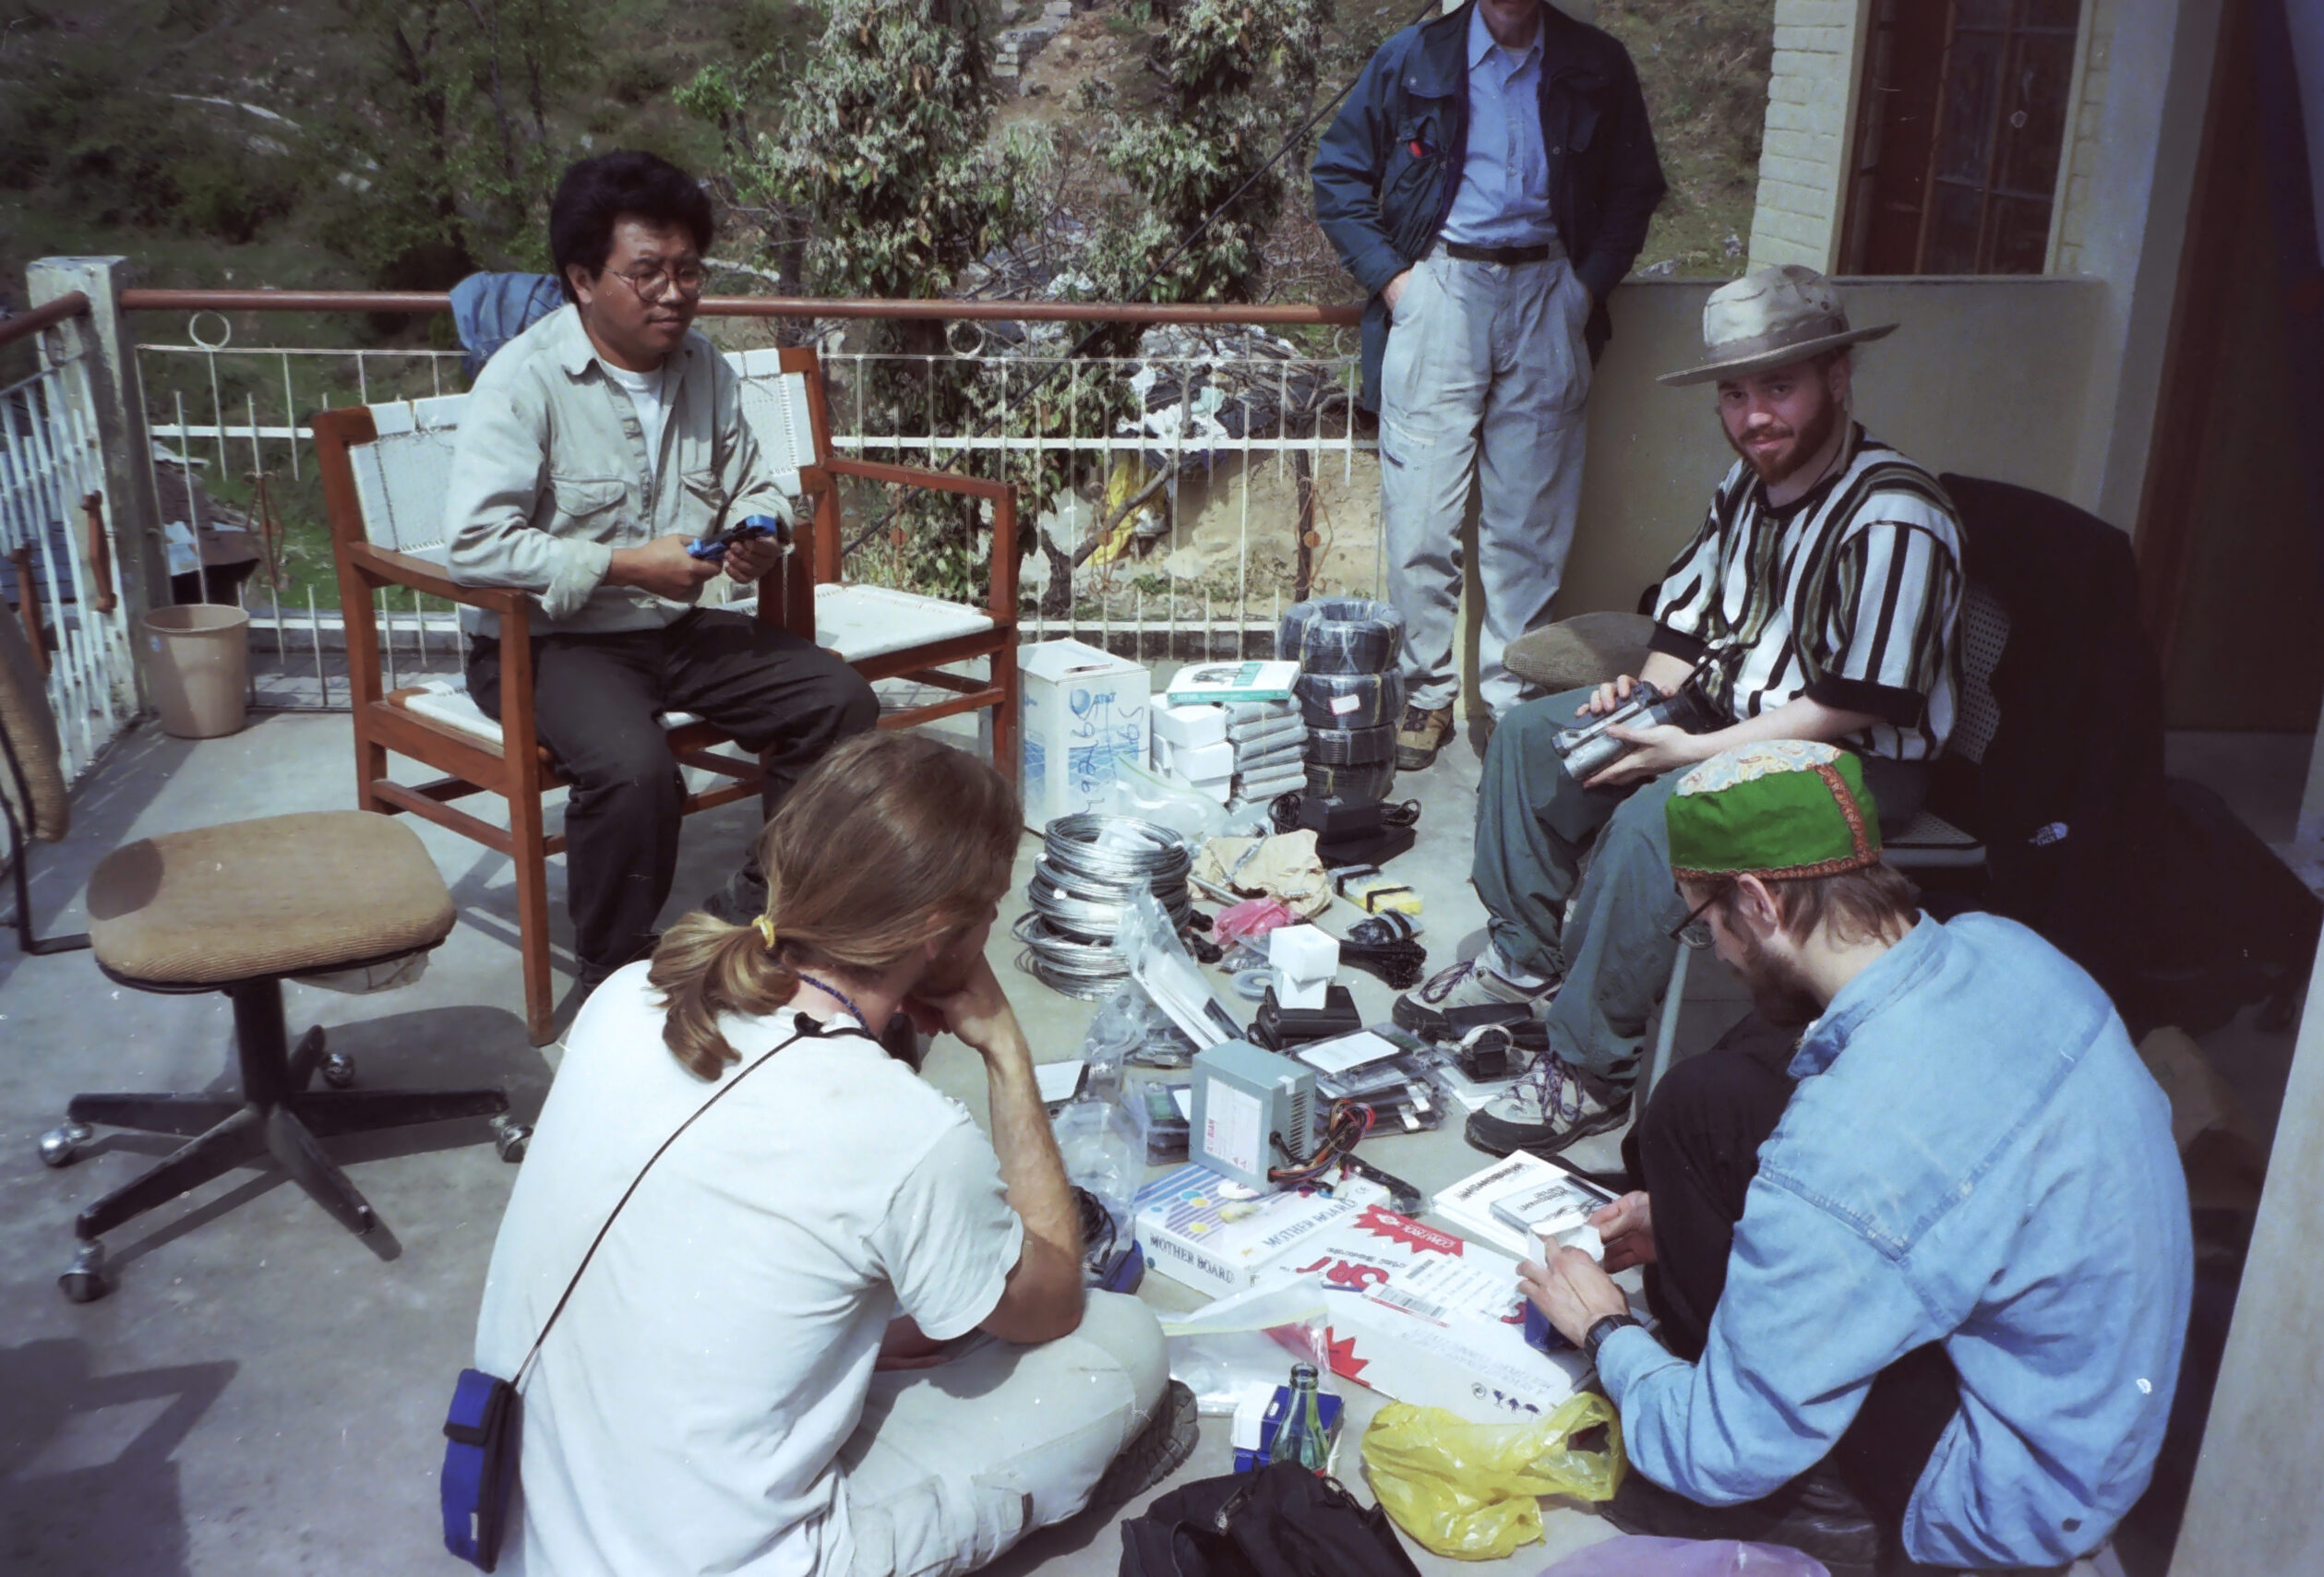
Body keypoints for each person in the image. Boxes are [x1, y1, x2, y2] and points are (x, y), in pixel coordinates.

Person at [473, 731, 1187, 1575]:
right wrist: (1003, 1047)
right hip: (721, 1560)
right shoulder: (903, 1130)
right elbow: (1056, 1296)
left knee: (898, 1315)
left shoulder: (630, 994)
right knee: (1122, 1340)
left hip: (521, 1516)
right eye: (989, 907)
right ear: (939, 930)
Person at [1518, 741, 2192, 1576]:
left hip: (2004, 1500)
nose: (1717, 951)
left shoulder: (1843, 1152)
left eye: (1705, 924)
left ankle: (1850, 1524)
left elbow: (1717, 1449)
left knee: (1655, 1454)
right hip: (2099, 1414)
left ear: (1757, 902)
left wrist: (1605, 1327)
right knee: (1709, 1102)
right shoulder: (2006, 946)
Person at [1401, 264, 1965, 1155]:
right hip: (1724, 715)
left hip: (1854, 762)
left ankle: (1589, 1066)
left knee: (1660, 819)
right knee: (1529, 738)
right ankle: (1523, 959)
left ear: (1838, 379)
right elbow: (1687, 620)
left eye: (1779, 387)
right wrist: (1647, 697)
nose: (1754, 417)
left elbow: (1852, 705)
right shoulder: (1746, 487)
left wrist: (1682, 755)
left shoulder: (1895, 515)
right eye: (1735, 394)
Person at [447, 149, 878, 987]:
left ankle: (756, 916)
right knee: (636, 770)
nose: (674, 293)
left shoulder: (703, 366)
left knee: (837, 701)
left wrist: (761, 529)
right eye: (645, 273)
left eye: (688, 271)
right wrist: (621, 565)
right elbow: (473, 546)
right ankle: (609, 971)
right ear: (582, 278)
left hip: (669, 626)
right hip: (547, 641)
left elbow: (756, 481)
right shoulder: (523, 380)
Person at [1312, 0, 1666, 770]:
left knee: (1528, 529)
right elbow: (1336, 172)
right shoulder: (1411, 57)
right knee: (1420, 520)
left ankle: (1512, 707)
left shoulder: (1595, 63)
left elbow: (1636, 189)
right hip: (1442, 286)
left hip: (1547, 290)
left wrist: (1586, 289)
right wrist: (1395, 282)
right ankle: (1428, 694)